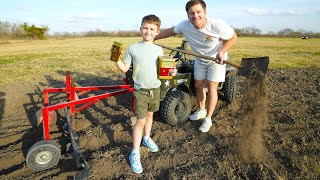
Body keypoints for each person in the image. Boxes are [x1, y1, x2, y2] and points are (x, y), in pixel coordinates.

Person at [154, 0, 237, 133]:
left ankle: (208, 119)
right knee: (198, 86)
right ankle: (201, 110)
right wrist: (153, 38)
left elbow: (233, 37)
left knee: (211, 87)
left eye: (198, 12)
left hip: (216, 60)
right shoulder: (185, 26)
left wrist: (221, 52)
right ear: (188, 15)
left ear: (205, 12)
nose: (195, 16)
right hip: (200, 59)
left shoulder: (217, 25)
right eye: (191, 13)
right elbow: (170, 31)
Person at [114, 14, 176, 174]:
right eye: (145, 28)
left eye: (152, 29)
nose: (148, 31)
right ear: (140, 28)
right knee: (140, 122)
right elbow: (124, 68)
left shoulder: (158, 49)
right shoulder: (133, 48)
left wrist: (171, 71)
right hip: (141, 90)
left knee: (150, 116)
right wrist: (116, 59)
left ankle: (146, 138)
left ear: (157, 32)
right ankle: (135, 152)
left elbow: (162, 69)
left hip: (155, 89)